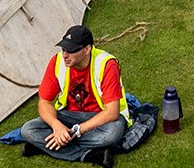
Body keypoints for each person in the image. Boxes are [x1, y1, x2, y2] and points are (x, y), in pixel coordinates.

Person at [17, 24, 129, 163]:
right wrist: (56, 126)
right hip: (69, 115)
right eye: (63, 48)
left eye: (71, 50)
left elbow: (112, 112)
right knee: (28, 130)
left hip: (100, 117)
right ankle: (88, 155)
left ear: (87, 49)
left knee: (111, 134)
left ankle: (47, 146)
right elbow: (44, 102)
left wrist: (77, 130)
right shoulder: (57, 62)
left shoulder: (106, 64)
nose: (65, 55)